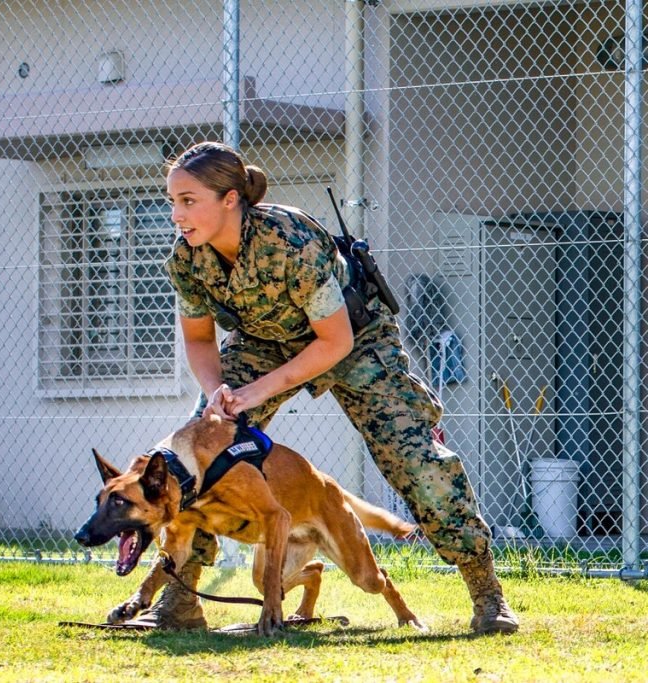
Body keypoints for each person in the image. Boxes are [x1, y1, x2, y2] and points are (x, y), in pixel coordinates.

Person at [125, 141, 518, 635]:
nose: (177, 214)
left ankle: (487, 594)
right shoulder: (189, 258)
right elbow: (200, 339)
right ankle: (181, 602)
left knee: (415, 460)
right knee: (197, 452)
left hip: (353, 339)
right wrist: (220, 394)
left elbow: (332, 342)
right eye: (171, 201)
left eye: (188, 200)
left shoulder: (289, 238)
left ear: (229, 199)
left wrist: (255, 392)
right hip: (262, 343)